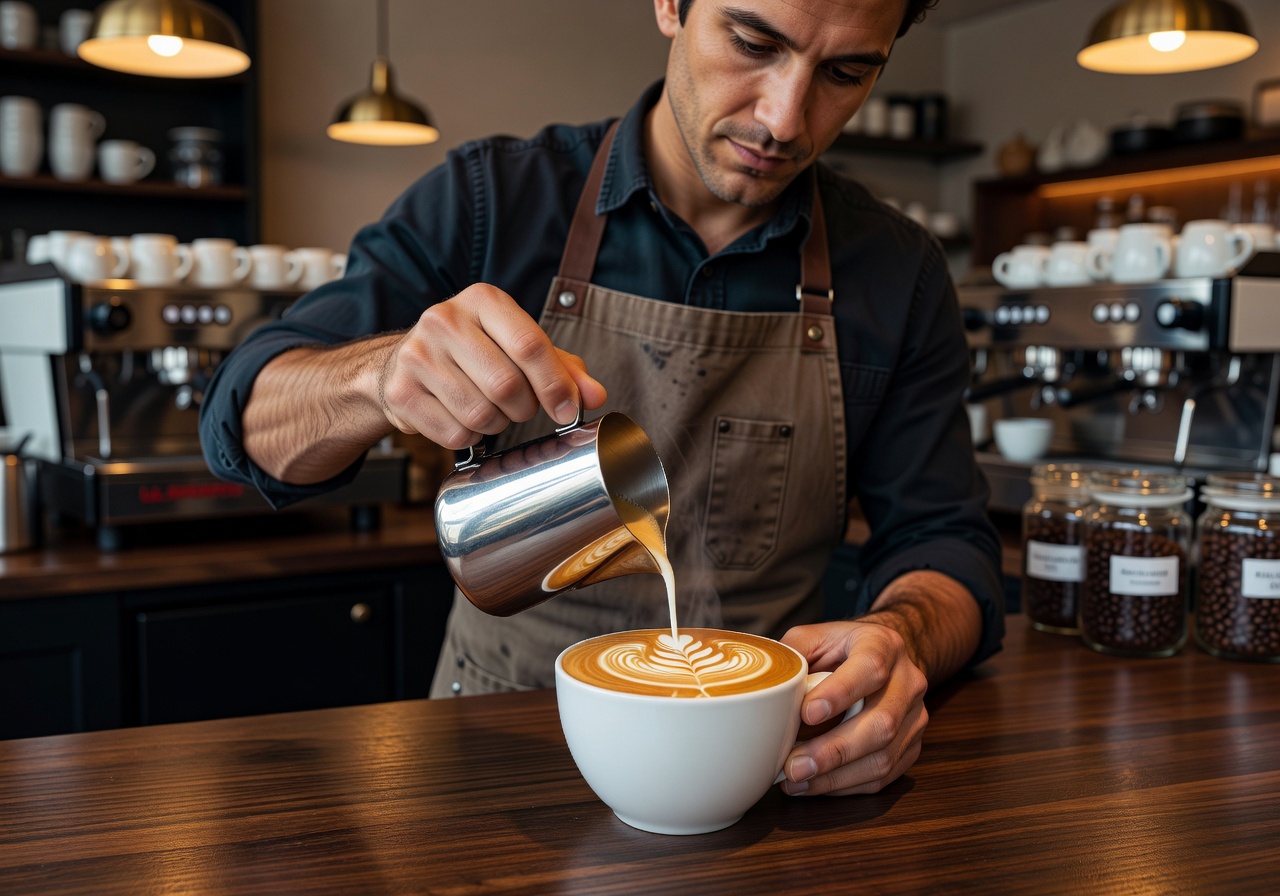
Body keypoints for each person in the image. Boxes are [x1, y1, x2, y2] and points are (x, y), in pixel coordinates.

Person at [200, 0, 1004, 797]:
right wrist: (375, 377)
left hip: (757, 766)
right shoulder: (492, 201)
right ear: (670, 6)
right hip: (492, 754)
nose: (784, 119)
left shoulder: (896, 273)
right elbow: (245, 426)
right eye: (753, 43)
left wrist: (900, 637)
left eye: (846, 72)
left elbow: (945, 544)